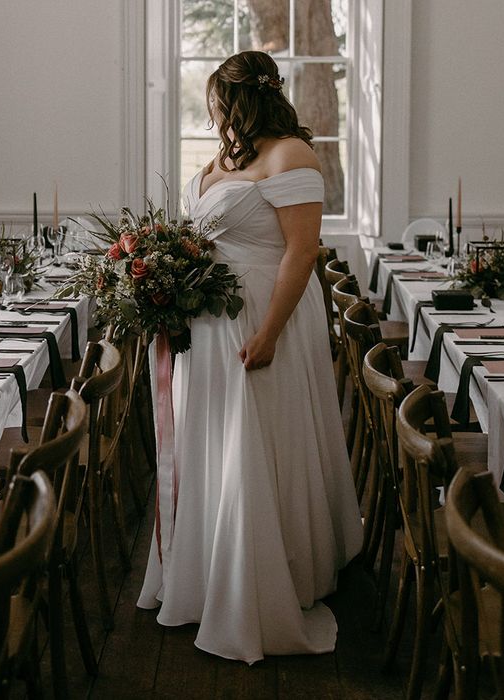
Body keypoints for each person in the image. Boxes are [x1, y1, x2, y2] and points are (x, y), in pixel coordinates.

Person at [137, 50, 362, 664]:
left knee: (255, 442)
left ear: (239, 101)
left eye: (217, 105)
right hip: (204, 328)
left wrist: (268, 333)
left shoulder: (290, 154)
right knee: (213, 443)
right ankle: (210, 569)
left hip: (260, 318)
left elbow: (300, 252)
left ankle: (262, 583)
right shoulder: (224, 159)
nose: (212, 119)